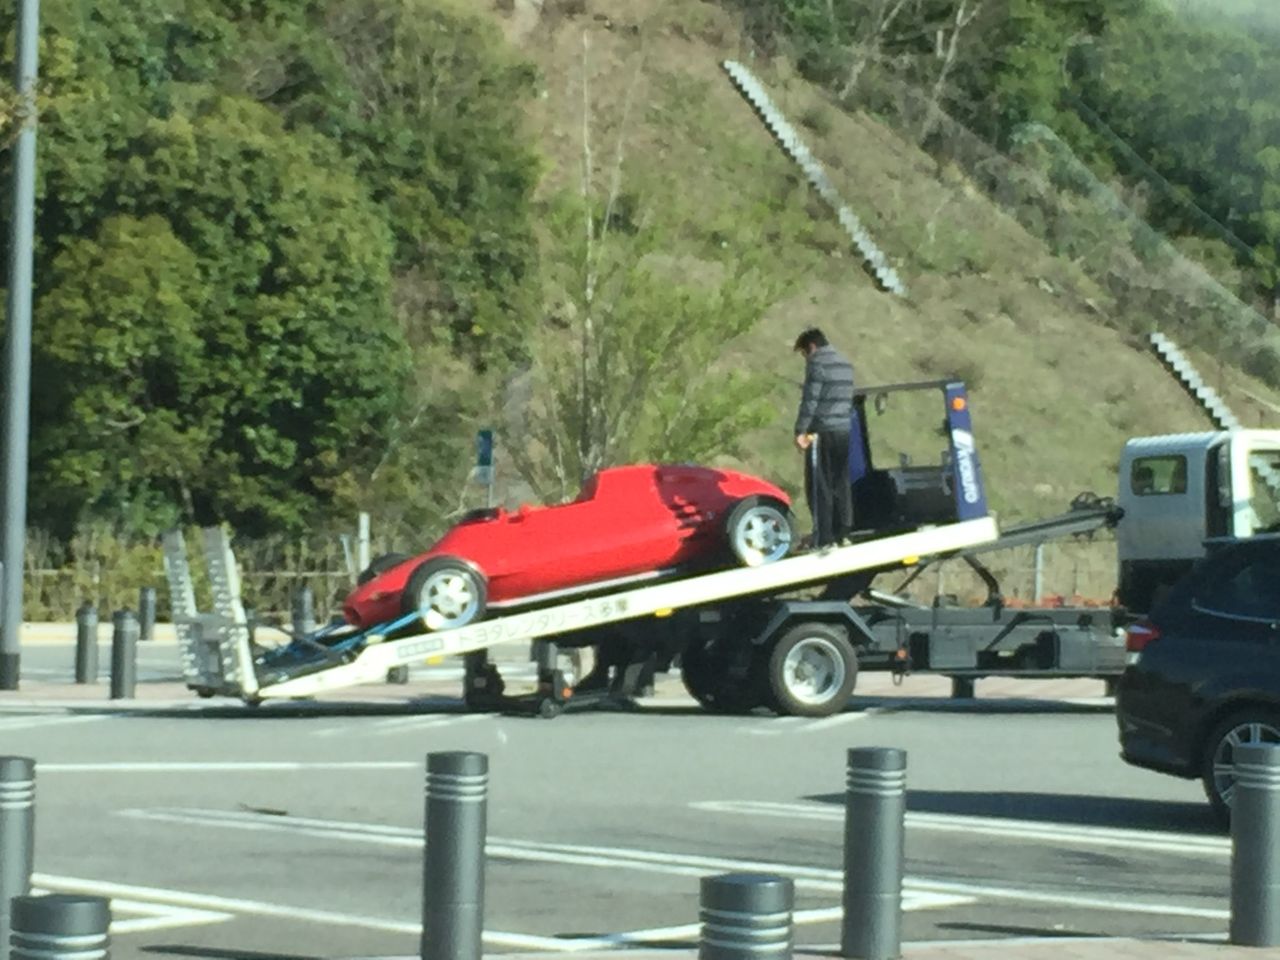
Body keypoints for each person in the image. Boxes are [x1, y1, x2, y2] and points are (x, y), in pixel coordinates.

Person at [793, 327, 855, 547]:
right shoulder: (846, 363)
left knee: (819, 485)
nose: (805, 359)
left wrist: (801, 430)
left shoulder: (818, 363)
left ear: (811, 347)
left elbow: (811, 400)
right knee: (840, 481)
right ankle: (844, 532)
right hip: (844, 431)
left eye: (804, 354)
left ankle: (824, 536)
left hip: (822, 433)